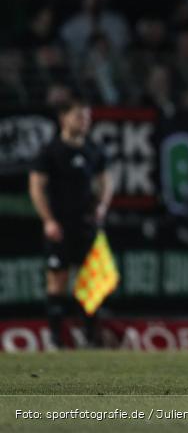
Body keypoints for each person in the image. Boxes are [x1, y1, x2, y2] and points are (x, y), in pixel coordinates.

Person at [29, 96, 113, 348]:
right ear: (63, 118)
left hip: (86, 224)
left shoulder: (93, 149)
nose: (84, 121)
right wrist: (48, 220)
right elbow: (36, 188)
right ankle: (56, 338)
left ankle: (91, 337)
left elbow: (106, 180)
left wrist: (102, 206)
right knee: (58, 279)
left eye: (87, 116)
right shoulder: (50, 151)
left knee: (91, 281)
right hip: (60, 225)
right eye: (78, 116)